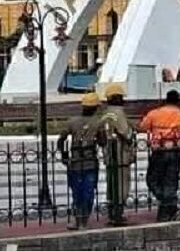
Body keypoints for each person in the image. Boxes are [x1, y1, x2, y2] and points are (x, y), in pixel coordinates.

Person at [139, 90, 180, 222]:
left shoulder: (154, 114)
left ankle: (166, 204)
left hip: (158, 151)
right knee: (171, 181)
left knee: (152, 180)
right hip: (175, 151)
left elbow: (142, 126)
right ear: (178, 101)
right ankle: (169, 205)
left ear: (166, 100)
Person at [57, 92, 101, 231]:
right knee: (88, 192)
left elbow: (61, 140)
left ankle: (78, 220)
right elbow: (103, 142)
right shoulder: (98, 122)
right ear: (95, 107)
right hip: (90, 162)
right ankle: (84, 220)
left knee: (77, 192)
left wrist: (64, 156)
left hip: (75, 162)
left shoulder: (72, 121)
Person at [97, 83, 136, 227]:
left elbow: (100, 135)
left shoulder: (105, 114)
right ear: (117, 98)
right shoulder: (119, 113)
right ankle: (118, 213)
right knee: (122, 183)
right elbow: (126, 133)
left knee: (111, 183)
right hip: (121, 154)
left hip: (109, 154)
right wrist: (131, 138)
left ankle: (112, 211)